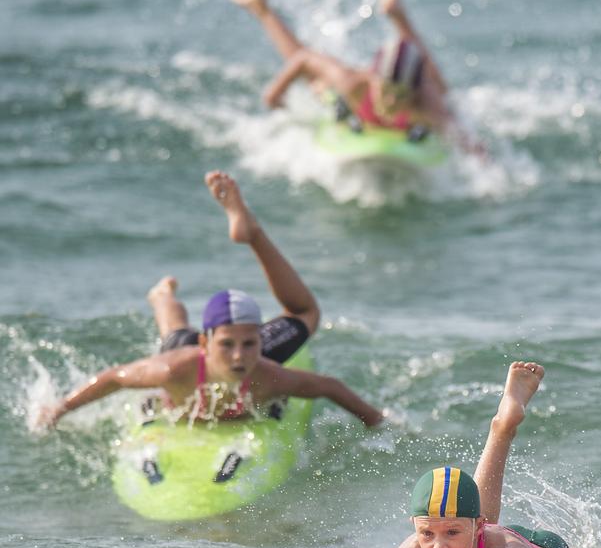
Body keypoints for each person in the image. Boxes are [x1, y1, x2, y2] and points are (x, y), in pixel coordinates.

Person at [34, 171, 383, 431]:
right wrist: (58, 410)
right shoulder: (173, 369)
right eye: (228, 344)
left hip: (232, 365)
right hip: (189, 356)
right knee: (173, 331)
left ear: (260, 340)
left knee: (306, 315)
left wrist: (373, 419)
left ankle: (254, 234)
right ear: (208, 343)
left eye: (249, 344)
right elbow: (114, 378)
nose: (238, 355)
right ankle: (162, 296)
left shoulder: (269, 374)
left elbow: (328, 387)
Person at [351, 361, 601, 548]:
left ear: (481, 527)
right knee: (461, 517)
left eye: (449, 534)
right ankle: (502, 426)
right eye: (426, 533)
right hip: (478, 535)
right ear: (414, 524)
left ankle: (503, 428)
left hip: (538, 546)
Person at [231, 0, 485, 154]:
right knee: (315, 81)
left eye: (401, 96)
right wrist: (274, 96)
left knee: (440, 88)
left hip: (417, 89)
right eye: (387, 92)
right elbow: (303, 59)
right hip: (359, 106)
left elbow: (469, 142)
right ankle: (262, 9)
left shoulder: (427, 106)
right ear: (372, 80)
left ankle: (398, 14)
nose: (391, 102)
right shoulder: (353, 83)